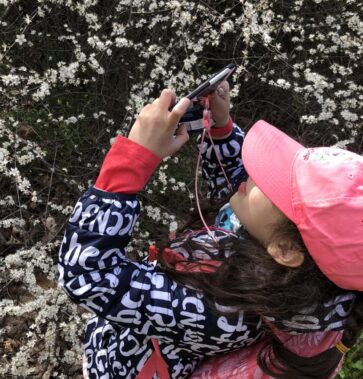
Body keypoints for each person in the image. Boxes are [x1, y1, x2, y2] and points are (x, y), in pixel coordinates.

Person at [57, 81, 363, 379]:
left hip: (117, 364)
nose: (254, 173)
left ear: (286, 249)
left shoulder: (222, 311)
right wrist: (220, 130)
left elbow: (90, 276)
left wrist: (130, 163)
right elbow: (240, 189)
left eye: (271, 181)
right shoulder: (283, 271)